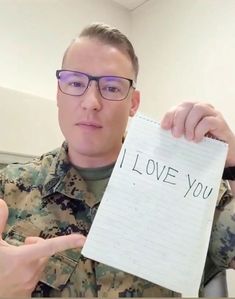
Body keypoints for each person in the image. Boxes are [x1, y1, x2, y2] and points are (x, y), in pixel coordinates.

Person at [0, 22, 235, 297]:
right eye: (75, 83)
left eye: (111, 88)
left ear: (133, 103)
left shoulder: (186, 188)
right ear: (58, 93)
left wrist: (233, 160)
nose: (91, 102)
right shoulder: (9, 187)